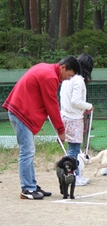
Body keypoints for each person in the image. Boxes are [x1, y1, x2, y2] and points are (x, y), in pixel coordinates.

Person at [2, 56, 81, 200]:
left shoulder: (46, 68)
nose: (68, 79)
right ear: (63, 67)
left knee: (29, 150)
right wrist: (61, 131)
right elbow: (51, 104)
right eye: (69, 75)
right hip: (21, 112)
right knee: (27, 151)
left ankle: (32, 185)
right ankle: (27, 189)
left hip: (20, 110)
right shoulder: (50, 76)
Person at [60, 53, 94, 186]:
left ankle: (70, 174)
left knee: (71, 149)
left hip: (65, 115)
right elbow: (76, 101)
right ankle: (74, 175)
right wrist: (88, 106)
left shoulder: (67, 79)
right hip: (74, 118)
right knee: (74, 149)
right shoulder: (79, 81)